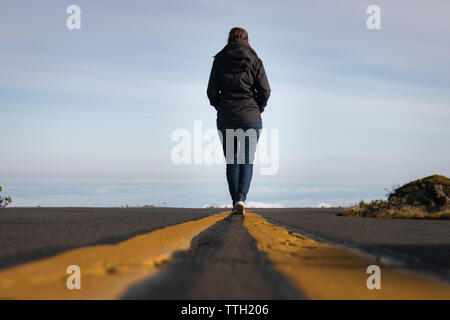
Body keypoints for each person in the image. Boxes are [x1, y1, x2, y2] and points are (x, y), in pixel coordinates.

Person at [207, 27, 271, 214]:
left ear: (229, 40)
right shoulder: (255, 60)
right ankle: (242, 198)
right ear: (247, 41)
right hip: (250, 117)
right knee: (247, 160)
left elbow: (211, 92)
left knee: (232, 160)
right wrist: (258, 107)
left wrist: (221, 106)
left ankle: (236, 200)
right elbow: (265, 90)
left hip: (227, 116)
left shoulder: (219, 60)